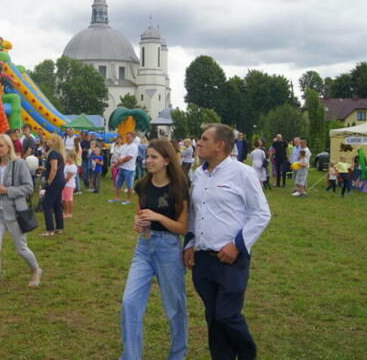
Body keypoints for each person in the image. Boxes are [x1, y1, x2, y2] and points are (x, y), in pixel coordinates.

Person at [183, 123, 271, 360]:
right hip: (203, 260)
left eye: (204, 139)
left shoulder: (243, 173)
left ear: (220, 146)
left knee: (226, 315)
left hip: (231, 259)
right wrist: (189, 243)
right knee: (213, 316)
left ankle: (247, 353)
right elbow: (194, 212)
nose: (198, 143)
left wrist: (237, 245)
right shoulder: (198, 173)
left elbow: (261, 213)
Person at [120, 139, 189, 360]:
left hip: (169, 249)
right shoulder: (142, 185)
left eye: (153, 157)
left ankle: (177, 355)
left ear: (166, 161)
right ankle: (131, 356)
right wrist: (137, 222)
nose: (147, 160)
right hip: (144, 248)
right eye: (147, 156)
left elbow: (182, 227)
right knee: (129, 303)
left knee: (175, 308)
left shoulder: (179, 188)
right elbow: (140, 214)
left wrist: (158, 216)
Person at [0, 134, 42, 301]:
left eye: (1, 146)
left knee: (21, 249)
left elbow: (29, 188)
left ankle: (35, 270)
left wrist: (9, 191)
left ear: (9, 147)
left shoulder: (19, 164)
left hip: (15, 214)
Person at [41, 133, 66, 236]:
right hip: (60, 181)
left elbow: (54, 169)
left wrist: (48, 183)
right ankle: (60, 228)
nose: (47, 141)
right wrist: (45, 169)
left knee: (47, 204)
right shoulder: (59, 153)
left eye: (49, 140)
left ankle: (49, 230)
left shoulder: (53, 153)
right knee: (57, 204)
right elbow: (53, 168)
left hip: (55, 182)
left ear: (54, 142)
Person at [109, 132, 139, 205]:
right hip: (122, 167)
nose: (127, 138)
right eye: (127, 137)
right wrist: (118, 161)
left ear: (133, 138)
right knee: (118, 183)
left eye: (129, 137)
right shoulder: (124, 146)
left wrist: (117, 163)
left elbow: (128, 158)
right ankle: (117, 198)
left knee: (129, 185)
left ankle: (128, 200)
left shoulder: (134, 147)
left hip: (129, 169)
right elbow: (119, 154)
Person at [62, 150, 77, 219]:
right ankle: (66, 212)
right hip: (66, 185)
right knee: (65, 199)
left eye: (67, 157)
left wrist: (61, 183)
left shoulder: (73, 167)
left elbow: (68, 178)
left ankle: (68, 213)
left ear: (72, 157)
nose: (66, 158)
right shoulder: (68, 164)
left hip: (68, 185)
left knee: (67, 199)